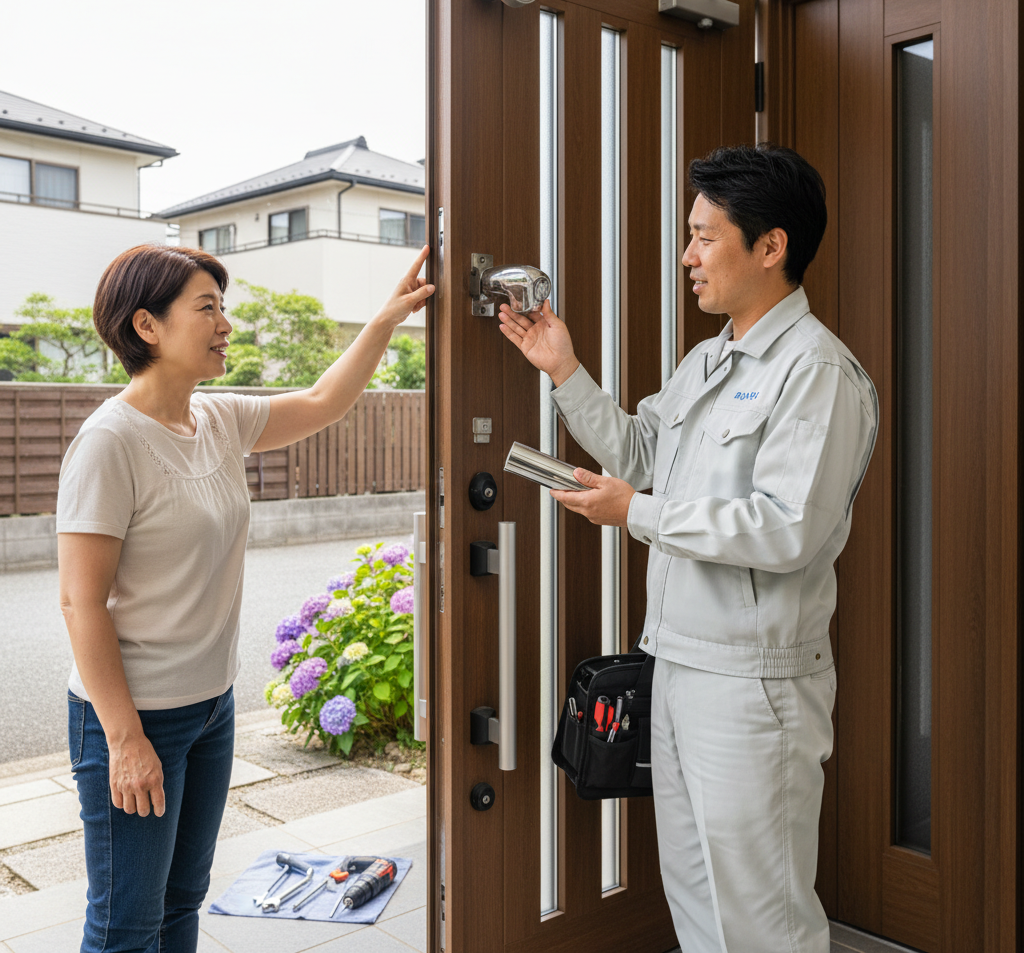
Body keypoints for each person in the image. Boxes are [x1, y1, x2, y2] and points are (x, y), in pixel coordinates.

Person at [498, 144, 878, 953]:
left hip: (753, 686)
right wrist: (563, 368)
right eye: (690, 234)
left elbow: (786, 528)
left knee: (763, 918)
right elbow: (641, 454)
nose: (688, 255)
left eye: (706, 236)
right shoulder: (709, 359)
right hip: (676, 667)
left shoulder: (817, 373)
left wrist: (635, 513)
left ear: (771, 246)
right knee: (698, 901)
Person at [57, 242, 432, 952]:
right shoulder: (109, 442)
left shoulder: (218, 420)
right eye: (207, 308)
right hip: (134, 719)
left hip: (209, 708)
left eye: (222, 306)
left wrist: (385, 319)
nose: (225, 322)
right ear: (147, 326)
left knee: (181, 904)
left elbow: (324, 402)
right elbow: (81, 604)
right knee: (124, 925)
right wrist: (126, 739)